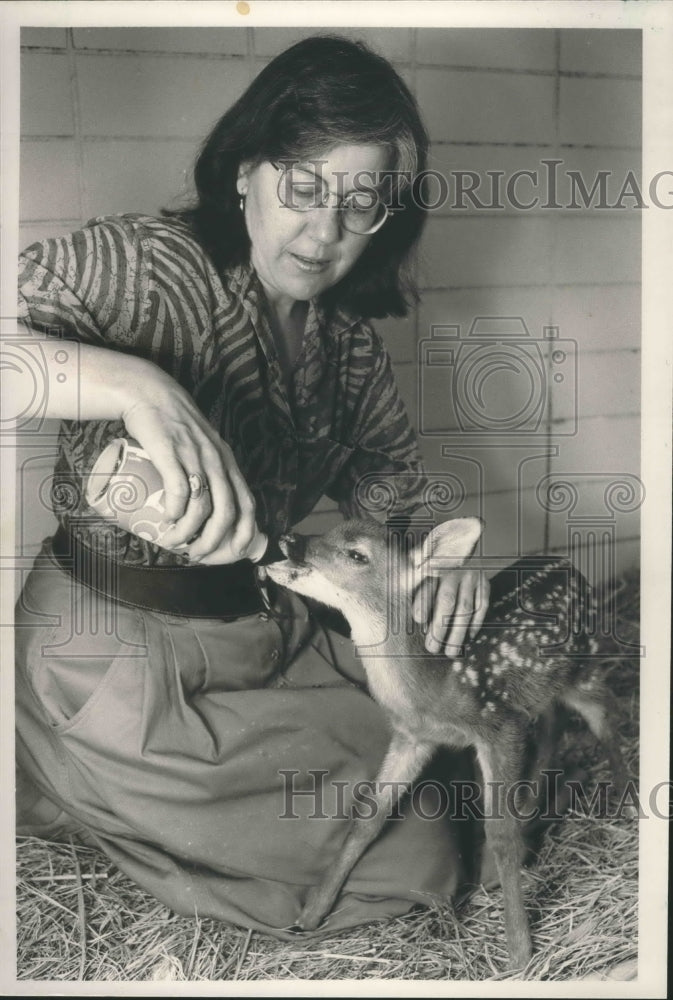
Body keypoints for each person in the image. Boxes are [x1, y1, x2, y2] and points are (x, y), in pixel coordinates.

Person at [13, 35, 512, 939]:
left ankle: (97, 793)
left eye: (361, 205)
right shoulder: (150, 268)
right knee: (403, 866)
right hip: (113, 649)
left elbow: (397, 487)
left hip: (252, 632)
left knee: (437, 785)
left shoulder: (346, 341)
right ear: (246, 171)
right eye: (304, 187)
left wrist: (445, 565)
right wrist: (134, 386)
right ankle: (66, 778)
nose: (324, 235)